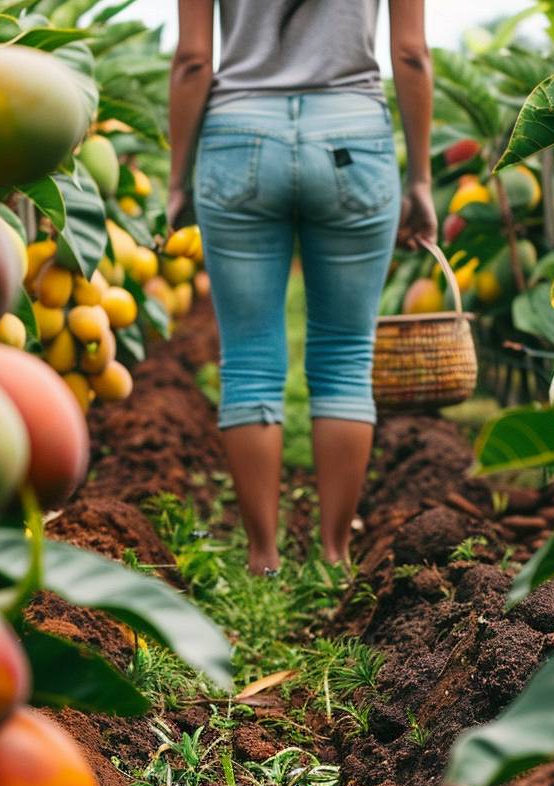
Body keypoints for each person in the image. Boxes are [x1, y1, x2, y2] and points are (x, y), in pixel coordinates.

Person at [168, 0, 436, 574]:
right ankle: (335, 554)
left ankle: (263, 557)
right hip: (354, 136)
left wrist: (176, 179)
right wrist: (420, 178)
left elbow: (193, 59)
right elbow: (411, 53)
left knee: (247, 357)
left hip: (239, 135)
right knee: (344, 355)